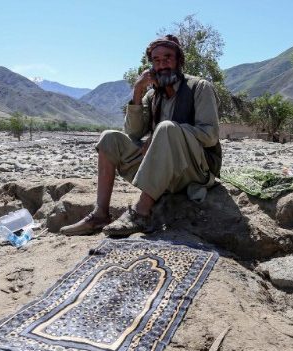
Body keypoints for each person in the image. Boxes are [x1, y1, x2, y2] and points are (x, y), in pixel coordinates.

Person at [60, 34, 221, 237]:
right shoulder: (153, 95)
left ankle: (140, 212)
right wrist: (137, 91)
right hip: (161, 170)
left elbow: (210, 136)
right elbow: (134, 133)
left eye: (167, 58)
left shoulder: (199, 87)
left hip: (194, 170)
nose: (162, 65)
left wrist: (163, 136)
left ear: (179, 61)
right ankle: (100, 214)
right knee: (109, 137)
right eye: (156, 60)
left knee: (166, 128)